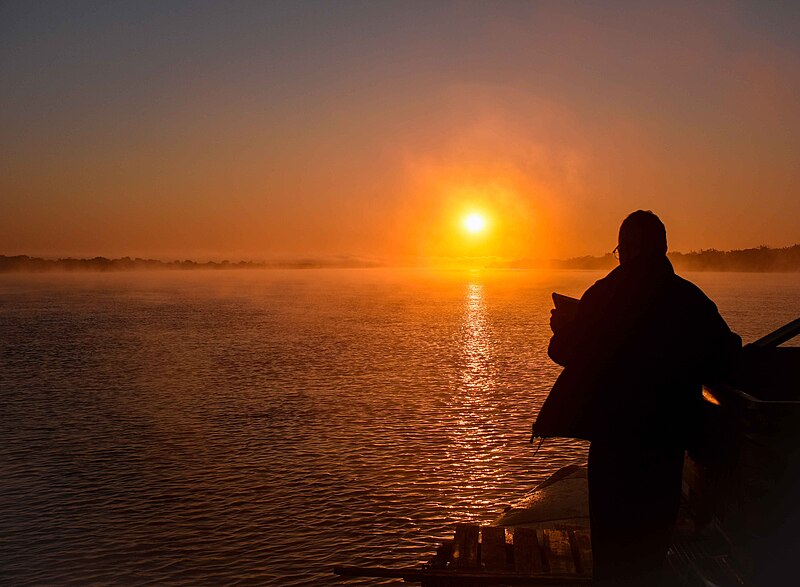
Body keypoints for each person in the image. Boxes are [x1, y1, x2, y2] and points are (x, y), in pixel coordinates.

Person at [532, 210, 741, 586]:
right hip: (667, 442)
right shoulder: (690, 299)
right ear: (662, 248)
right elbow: (728, 354)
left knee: (612, 554)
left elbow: (564, 351)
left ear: (626, 249)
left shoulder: (603, 294)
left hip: (614, 444)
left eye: (619, 249)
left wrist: (562, 328)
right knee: (651, 550)